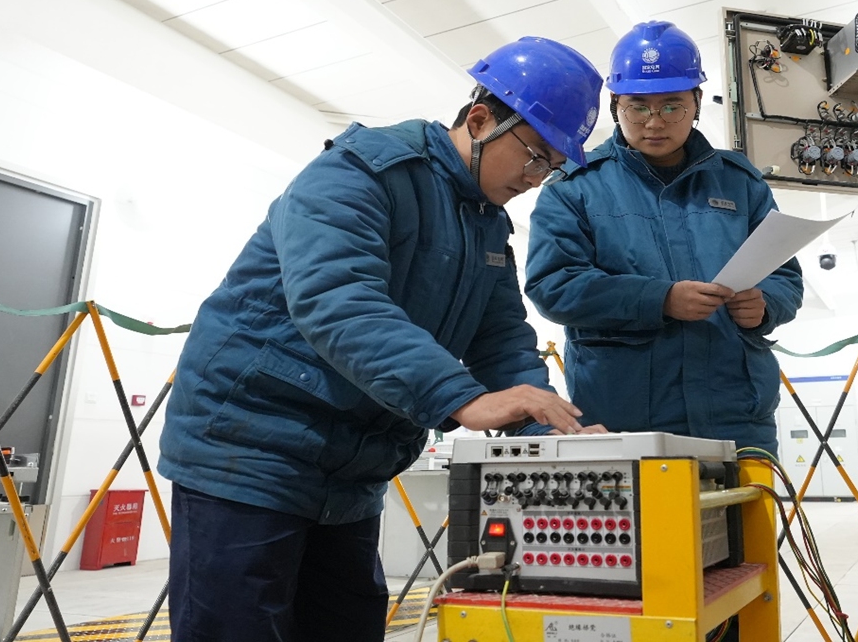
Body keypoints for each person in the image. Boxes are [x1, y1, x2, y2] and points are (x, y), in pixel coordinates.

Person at [157, 37, 603, 642]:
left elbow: (501, 337)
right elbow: (339, 300)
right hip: (252, 450)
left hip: (353, 468)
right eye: (534, 155)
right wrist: (461, 398)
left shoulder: (486, 224)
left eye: (552, 165)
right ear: (480, 120)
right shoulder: (362, 169)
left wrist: (551, 432)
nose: (536, 177)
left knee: (345, 624)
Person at [523, 21, 804, 455]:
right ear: (615, 105)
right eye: (638, 107)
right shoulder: (573, 185)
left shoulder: (740, 183)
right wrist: (659, 300)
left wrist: (766, 305)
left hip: (738, 419)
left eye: (672, 106)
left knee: (743, 525)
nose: (655, 122)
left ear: (696, 103)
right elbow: (553, 287)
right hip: (625, 420)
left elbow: (785, 275)